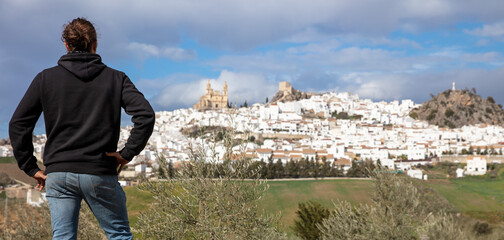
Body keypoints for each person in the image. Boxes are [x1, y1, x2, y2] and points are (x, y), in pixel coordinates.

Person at [9, 17, 155, 239]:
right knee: (119, 235)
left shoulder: (45, 79)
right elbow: (145, 115)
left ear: (66, 46)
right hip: (99, 171)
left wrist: (30, 167)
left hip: (58, 172)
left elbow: (18, 123)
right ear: (95, 45)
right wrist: (126, 154)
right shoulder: (116, 78)